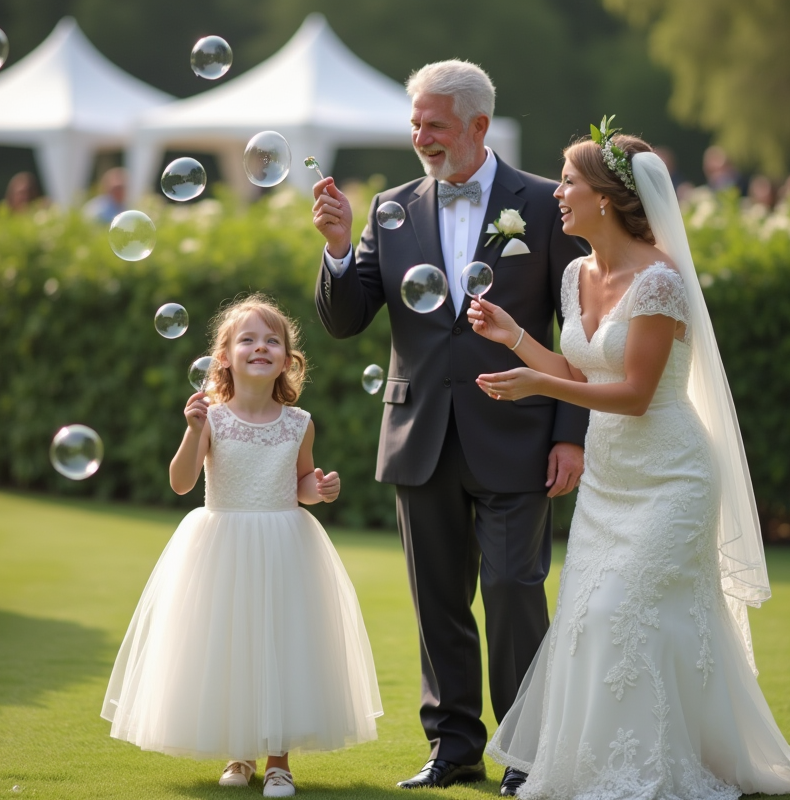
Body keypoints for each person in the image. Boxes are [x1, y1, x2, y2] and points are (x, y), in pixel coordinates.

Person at [469, 127, 790, 797]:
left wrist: (543, 387)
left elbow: (633, 394)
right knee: (590, 621)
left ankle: (653, 769)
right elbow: (580, 366)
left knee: (619, 614)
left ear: (607, 198)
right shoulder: (576, 275)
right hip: (611, 481)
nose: (560, 193)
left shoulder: (660, 280)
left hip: (671, 475)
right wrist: (514, 338)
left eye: (571, 181)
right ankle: (606, 766)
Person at [310, 59, 588, 795]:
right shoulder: (389, 208)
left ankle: (528, 755)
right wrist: (338, 248)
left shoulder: (542, 203)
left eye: (434, 124)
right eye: (415, 124)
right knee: (437, 601)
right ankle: (453, 747)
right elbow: (345, 321)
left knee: (511, 590)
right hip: (420, 430)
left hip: (520, 433)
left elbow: (581, 329)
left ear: (477, 125)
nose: (420, 137)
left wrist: (569, 431)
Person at [102, 296, 382, 798]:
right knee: (231, 644)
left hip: (283, 544)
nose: (261, 347)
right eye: (247, 339)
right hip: (222, 545)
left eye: (272, 340)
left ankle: (278, 762)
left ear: (287, 359)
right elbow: (182, 483)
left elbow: (300, 483)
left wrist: (317, 490)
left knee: (280, 643)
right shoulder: (210, 418)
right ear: (224, 356)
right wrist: (192, 434)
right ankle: (239, 753)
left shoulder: (299, 422)